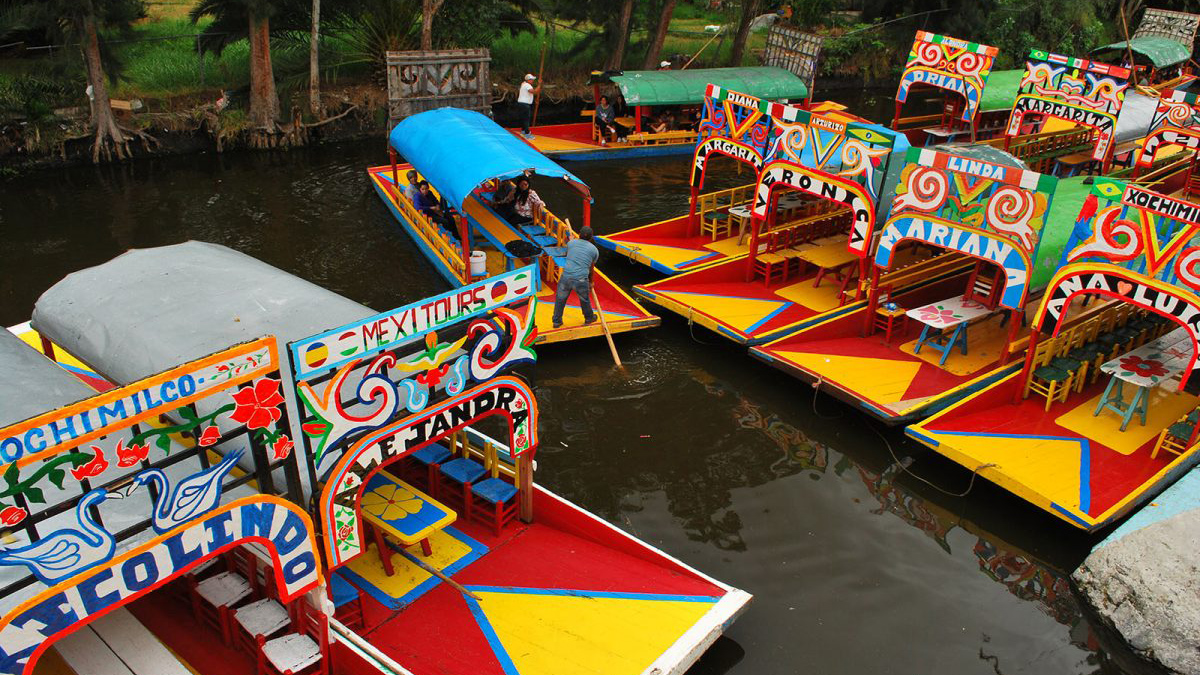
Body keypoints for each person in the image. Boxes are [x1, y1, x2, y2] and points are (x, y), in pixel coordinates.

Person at [548, 226, 599, 328]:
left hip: (566, 277)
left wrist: (572, 240)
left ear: (579, 234)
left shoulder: (571, 243)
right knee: (584, 300)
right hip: (580, 279)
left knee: (560, 299)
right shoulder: (594, 250)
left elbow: (569, 252)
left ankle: (557, 321)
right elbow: (591, 268)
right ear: (591, 237)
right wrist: (591, 281)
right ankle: (589, 318)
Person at [517, 73, 539, 139]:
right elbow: (533, 91)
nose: (533, 81)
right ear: (528, 80)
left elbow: (528, 94)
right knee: (526, 119)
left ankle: (523, 131)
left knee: (524, 118)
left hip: (522, 104)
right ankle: (527, 134)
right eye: (532, 79)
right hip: (525, 105)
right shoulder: (527, 85)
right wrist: (539, 85)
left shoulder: (523, 84)